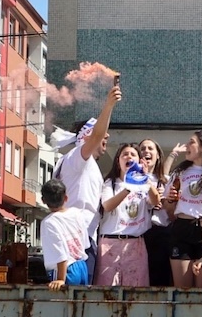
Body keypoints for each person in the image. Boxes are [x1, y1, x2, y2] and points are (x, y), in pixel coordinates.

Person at [53, 84, 121, 283]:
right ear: (87, 138)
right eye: (102, 137)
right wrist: (108, 105)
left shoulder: (85, 164)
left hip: (84, 237)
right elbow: (98, 134)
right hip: (74, 238)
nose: (105, 140)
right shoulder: (78, 157)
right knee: (73, 296)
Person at [96, 142, 160, 286]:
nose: (129, 157)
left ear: (139, 160)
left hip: (135, 243)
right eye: (125, 154)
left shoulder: (145, 183)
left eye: (133, 154)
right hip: (110, 243)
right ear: (118, 161)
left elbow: (155, 201)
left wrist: (145, 179)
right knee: (107, 292)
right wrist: (128, 188)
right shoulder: (110, 183)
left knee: (136, 291)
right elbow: (107, 206)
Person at [165, 130, 202, 288]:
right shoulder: (180, 172)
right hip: (182, 226)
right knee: (182, 289)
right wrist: (170, 199)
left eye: (191, 142)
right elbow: (168, 207)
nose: (187, 146)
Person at [40, 179, 90, 290]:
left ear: (43, 200)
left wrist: (60, 279)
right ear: (66, 198)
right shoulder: (77, 213)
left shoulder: (49, 222)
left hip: (65, 270)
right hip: (81, 266)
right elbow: (85, 243)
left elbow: (60, 253)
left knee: (64, 305)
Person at [138, 138, 172, 286]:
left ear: (158, 155)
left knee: (161, 279)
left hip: (162, 234)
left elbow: (175, 211)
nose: (146, 151)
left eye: (150, 149)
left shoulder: (167, 181)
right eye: (143, 148)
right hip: (140, 233)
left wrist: (165, 201)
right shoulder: (133, 179)